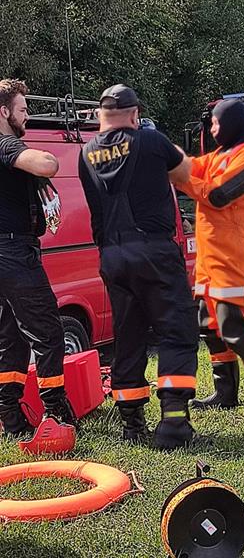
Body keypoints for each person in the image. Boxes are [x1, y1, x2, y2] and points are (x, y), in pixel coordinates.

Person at [79, 84, 199, 450]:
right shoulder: (150, 140)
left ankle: (132, 425)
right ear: (134, 114)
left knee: (128, 336)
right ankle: (174, 423)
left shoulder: (85, 152)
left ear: (101, 116)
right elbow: (186, 174)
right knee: (176, 330)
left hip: (112, 256)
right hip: (153, 250)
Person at [177, 99, 244, 413]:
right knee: (208, 325)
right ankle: (225, 392)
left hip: (234, 259)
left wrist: (180, 177)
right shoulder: (219, 156)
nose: (212, 130)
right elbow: (190, 166)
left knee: (235, 326)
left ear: (232, 122)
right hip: (208, 260)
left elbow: (218, 195)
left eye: (217, 124)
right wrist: (166, 155)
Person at [0, 79, 76, 437]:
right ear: (4, 112)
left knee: (12, 336)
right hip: (14, 252)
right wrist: (44, 157)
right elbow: (46, 164)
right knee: (48, 331)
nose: (27, 115)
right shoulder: (5, 144)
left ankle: (9, 414)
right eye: (23, 109)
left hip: (7, 251)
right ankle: (56, 411)